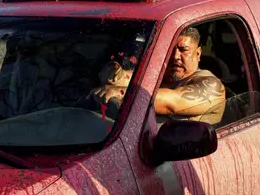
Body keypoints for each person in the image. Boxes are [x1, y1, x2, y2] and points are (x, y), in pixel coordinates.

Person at [91, 27, 226, 125]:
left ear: (198, 54)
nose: (175, 56)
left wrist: (120, 92)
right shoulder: (160, 76)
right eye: (169, 50)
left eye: (183, 50)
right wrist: (114, 70)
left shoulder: (212, 86)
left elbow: (172, 103)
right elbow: (121, 77)